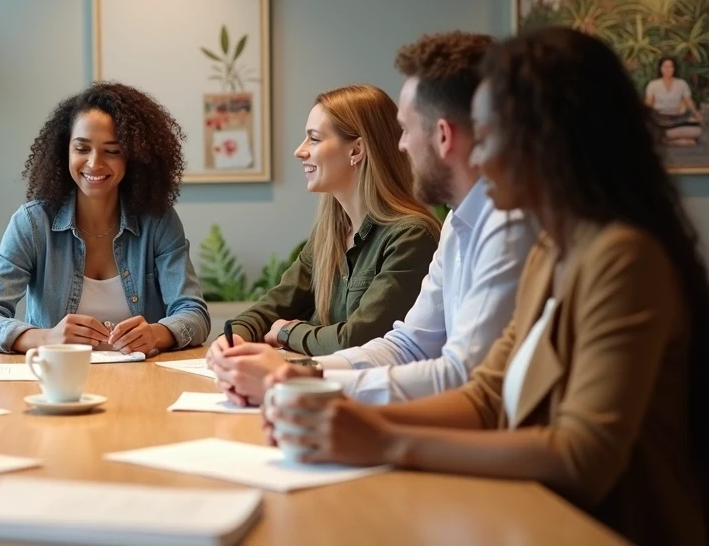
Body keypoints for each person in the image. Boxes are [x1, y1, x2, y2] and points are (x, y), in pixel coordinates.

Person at [263, 27, 707, 546]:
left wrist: (384, 438)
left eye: (490, 137)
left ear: (544, 143)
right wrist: (339, 413)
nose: (477, 158)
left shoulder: (623, 258)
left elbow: (582, 457)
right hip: (529, 514)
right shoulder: (551, 252)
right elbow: (486, 392)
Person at [209, 32, 536, 405]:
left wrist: (295, 376)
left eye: (408, 130)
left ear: (442, 135)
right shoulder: (456, 223)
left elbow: (462, 375)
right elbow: (409, 344)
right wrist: (299, 374)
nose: (400, 145)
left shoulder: (504, 227)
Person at [0, 81, 210, 354]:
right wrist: (46, 339)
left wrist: (157, 333)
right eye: (82, 148)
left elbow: (194, 313)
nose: (94, 163)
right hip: (55, 384)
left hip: (144, 380)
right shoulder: (33, 224)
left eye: (112, 151)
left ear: (135, 157)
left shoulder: (159, 222)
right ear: (65, 152)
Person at [209, 84, 439, 357]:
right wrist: (234, 336)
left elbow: (358, 340)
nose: (300, 151)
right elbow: (274, 306)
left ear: (356, 151)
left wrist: (287, 331)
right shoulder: (329, 234)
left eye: (314, 139)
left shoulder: (411, 236)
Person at [646, 56, 704, 146]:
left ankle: (664, 139)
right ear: (661, 69)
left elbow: (688, 100)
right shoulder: (653, 84)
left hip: (677, 118)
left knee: (697, 132)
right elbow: (649, 103)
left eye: (670, 66)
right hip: (659, 118)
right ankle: (671, 139)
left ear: (674, 68)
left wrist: (696, 113)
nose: (668, 69)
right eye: (665, 67)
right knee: (689, 142)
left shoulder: (681, 83)